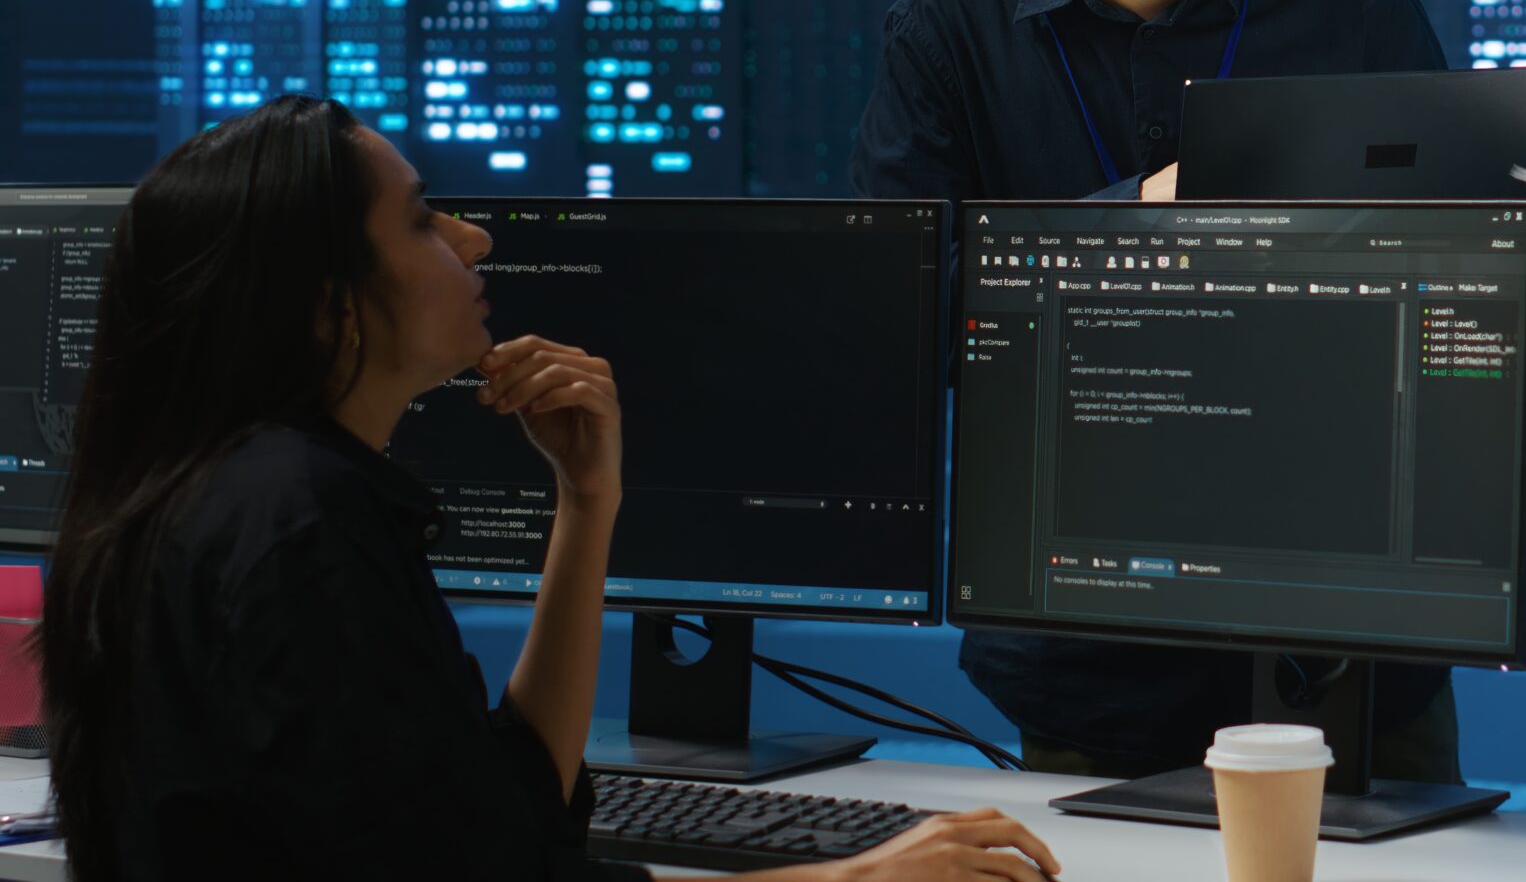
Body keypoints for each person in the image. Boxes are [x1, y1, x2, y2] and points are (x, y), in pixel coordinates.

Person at [41, 96, 1062, 882]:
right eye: (422, 222)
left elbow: (518, 810)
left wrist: (587, 502)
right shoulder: (299, 525)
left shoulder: (231, 493)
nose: (474, 239)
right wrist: (854, 874)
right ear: (327, 310)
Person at [849, 0, 1460, 782]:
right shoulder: (947, 32)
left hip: (1346, 637)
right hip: (1086, 643)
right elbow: (898, 320)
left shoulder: (1357, 18)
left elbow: (1478, 311)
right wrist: (1150, 214)